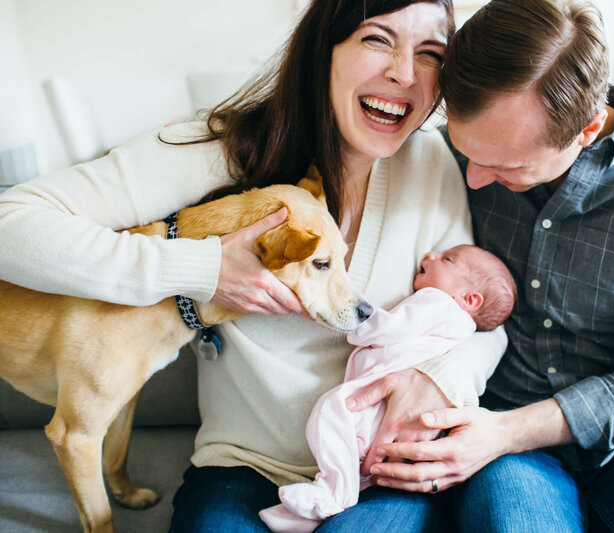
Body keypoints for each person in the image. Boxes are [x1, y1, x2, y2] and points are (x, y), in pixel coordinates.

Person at [0, 1, 508, 531]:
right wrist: (202, 266)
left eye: (430, 52)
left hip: (376, 475)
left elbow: (479, 321)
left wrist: (442, 377)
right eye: (377, 39)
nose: (404, 72)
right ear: (322, 52)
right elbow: (9, 225)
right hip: (240, 469)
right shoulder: (218, 148)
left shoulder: (434, 164)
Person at [347, 0, 614, 531]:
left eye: (506, 166)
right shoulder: (445, 158)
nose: (473, 179)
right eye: (466, 151)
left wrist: (505, 432)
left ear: (587, 130)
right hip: (497, 431)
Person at [260, 244, 516, 532]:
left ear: (469, 298)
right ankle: (309, 512)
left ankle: (334, 494)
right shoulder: (462, 328)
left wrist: (356, 323)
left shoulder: (437, 303)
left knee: (331, 411)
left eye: (448, 259)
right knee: (357, 457)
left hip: (377, 400)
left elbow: (394, 327)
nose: (431, 255)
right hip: (393, 416)